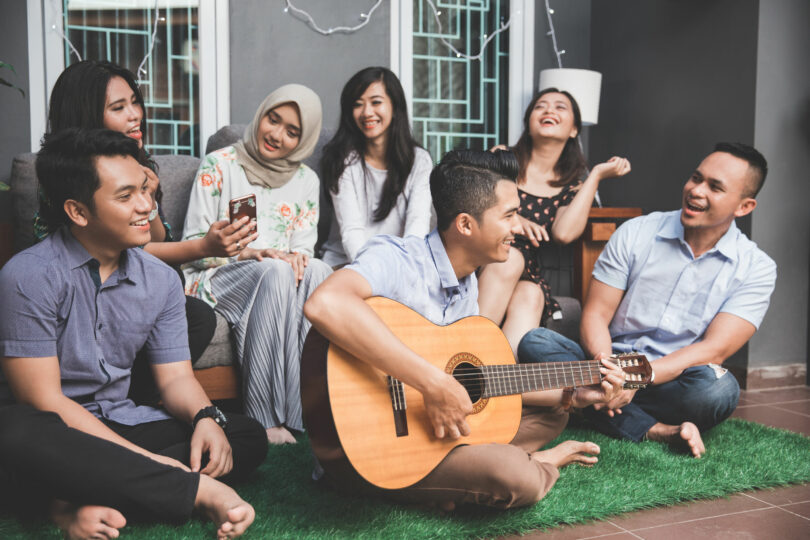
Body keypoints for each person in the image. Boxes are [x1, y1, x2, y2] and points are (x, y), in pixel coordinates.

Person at [304, 149, 625, 510]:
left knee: (554, 413)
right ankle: (537, 464)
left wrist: (574, 395)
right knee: (519, 480)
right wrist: (433, 383)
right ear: (466, 225)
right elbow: (324, 304)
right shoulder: (397, 259)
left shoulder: (468, 283)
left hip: (424, 431)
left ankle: (469, 469)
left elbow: (478, 384)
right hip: (363, 452)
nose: (518, 227)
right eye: (509, 215)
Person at [0, 128, 268, 538]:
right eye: (126, 197)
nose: (146, 206)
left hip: (120, 419)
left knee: (242, 436)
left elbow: (176, 377)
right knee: (15, 431)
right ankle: (187, 490)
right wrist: (157, 464)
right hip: (56, 430)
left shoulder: (160, 279)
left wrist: (206, 417)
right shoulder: (28, 275)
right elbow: (44, 401)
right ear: (78, 211)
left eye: (145, 190)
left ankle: (73, 501)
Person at [518, 142, 776, 458]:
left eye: (715, 187)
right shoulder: (636, 232)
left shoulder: (757, 268)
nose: (696, 190)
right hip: (605, 366)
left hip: (669, 380)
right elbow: (596, 313)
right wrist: (612, 373)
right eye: (696, 178)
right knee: (537, 343)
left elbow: (714, 349)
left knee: (718, 390)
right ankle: (656, 430)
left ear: (744, 206)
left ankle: (587, 406)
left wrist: (637, 378)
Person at [42, 60, 256, 368]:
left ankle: (134, 400)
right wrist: (205, 247)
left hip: (138, 280)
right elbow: (109, 251)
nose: (135, 114)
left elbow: (149, 241)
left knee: (195, 316)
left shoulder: (139, 161)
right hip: (89, 285)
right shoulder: (62, 175)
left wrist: (150, 199)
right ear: (86, 115)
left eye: (134, 102)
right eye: (118, 107)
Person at [182, 84, 332, 445]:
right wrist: (248, 254)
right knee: (275, 270)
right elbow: (192, 245)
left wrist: (298, 258)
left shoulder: (306, 181)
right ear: (261, 114)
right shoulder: (219, 165)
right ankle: (263, 419)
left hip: (274, 276)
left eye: (292, 131)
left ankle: (303, 414)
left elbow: (303, 248)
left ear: (303, 139)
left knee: (321, 272)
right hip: (216, 274)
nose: (276, 134)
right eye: (273, 119)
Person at [477, 88, 631, 354]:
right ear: (528, 121)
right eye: (541, 106)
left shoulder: (570, 188)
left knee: (531, 295)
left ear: (573, 130)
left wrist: (594, 176)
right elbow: (473, 203)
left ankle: (496, 383)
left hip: (528, 273)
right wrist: (514, 219)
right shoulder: (502, 158)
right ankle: (464, 350)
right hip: (485, 257)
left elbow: (564, 233)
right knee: (509, 258)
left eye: (560, 107)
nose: (549, 110)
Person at [319, 66, 433, 268]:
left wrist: (404, 270)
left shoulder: (419, 161)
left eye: (376, 102)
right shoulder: (342, 159)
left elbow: (417, 225)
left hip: (400, 265)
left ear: (395, 106)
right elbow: (351, 232)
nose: (366, 112)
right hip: (346, 263)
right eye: (358, 104)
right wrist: (375, 274)